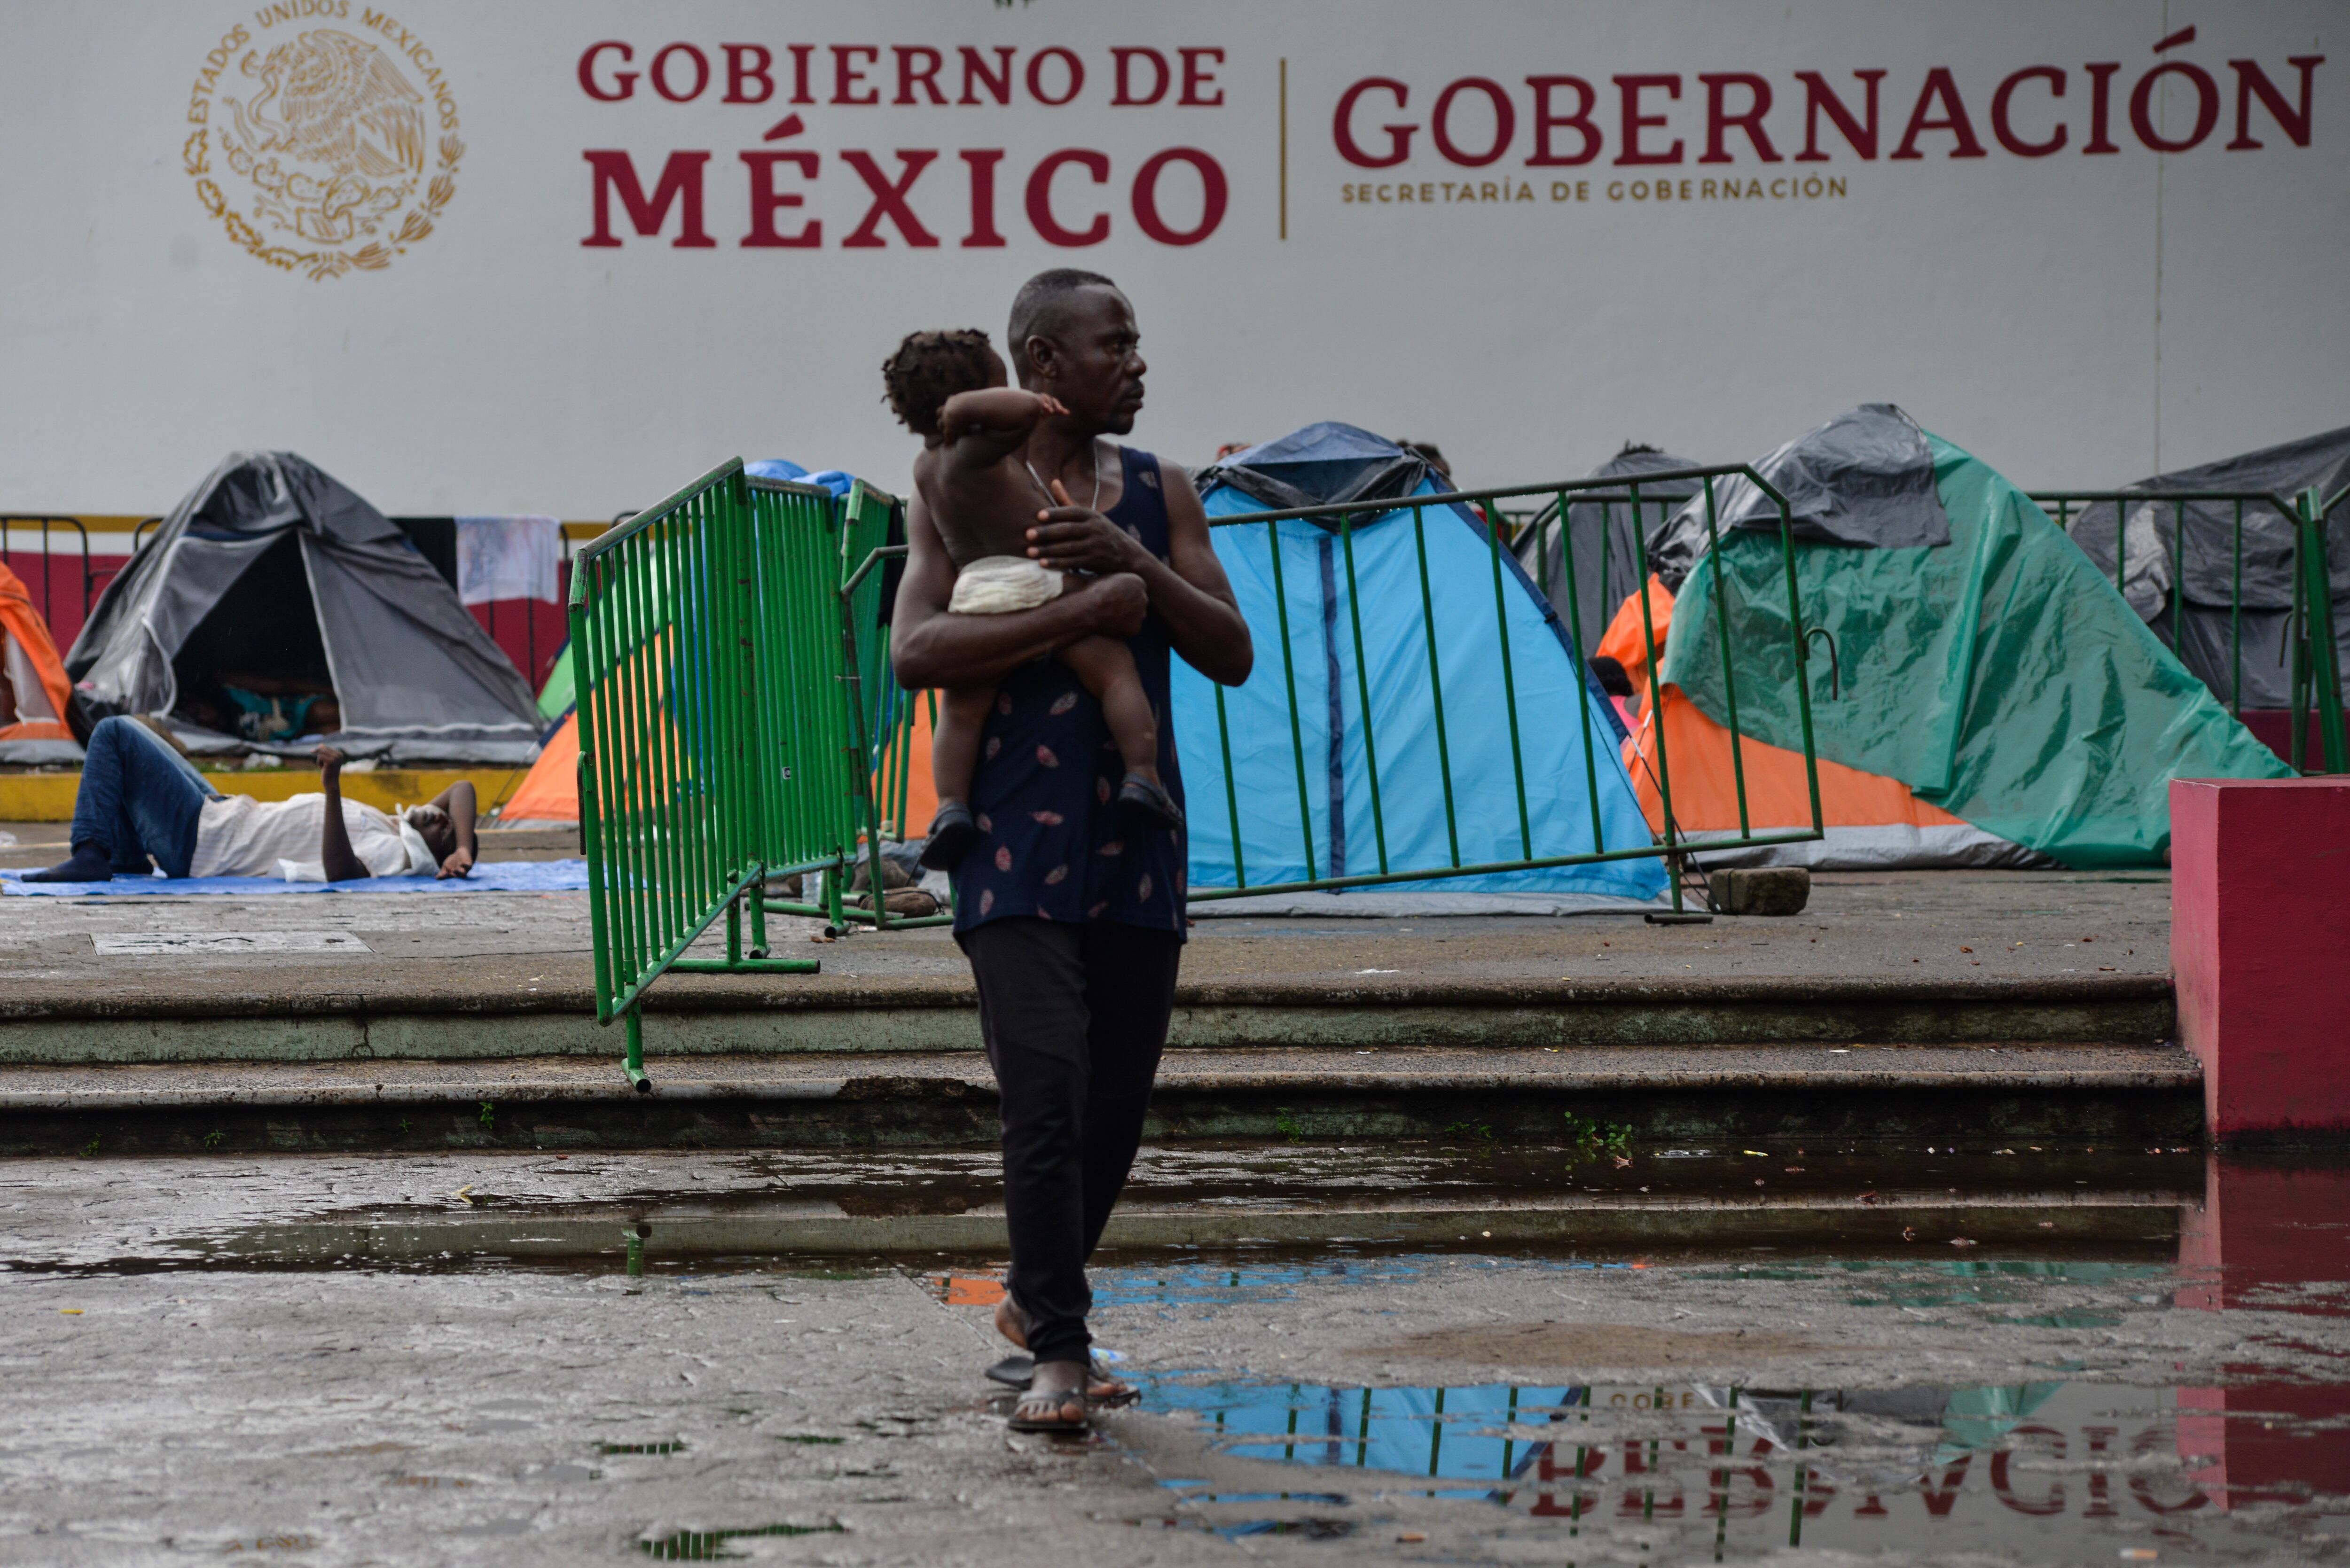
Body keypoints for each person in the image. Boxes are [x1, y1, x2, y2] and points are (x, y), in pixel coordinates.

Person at [889, 269, 1253, 1434]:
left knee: (1113, 1102)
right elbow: (919, 650)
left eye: (1139, 344)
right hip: (1004, 834)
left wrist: (1126, 562)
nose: (1138, 364)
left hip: (1136, 830)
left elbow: (1229, 649)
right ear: (1043, 364)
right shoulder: (959, 480)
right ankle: (1059, 1340)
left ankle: (1030, 1303)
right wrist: (1074, 613)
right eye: (1117, 345)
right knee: (1042, 1084)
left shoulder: (1163, 491)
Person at [877, 327, 1180, 874]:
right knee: (1113, 671)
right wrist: (1007, 403)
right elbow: (1018, 415)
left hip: (974, 588)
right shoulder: (975, 448)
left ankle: (949, 808)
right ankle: (1143, 775)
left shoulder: (925, 469)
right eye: (1001, 380)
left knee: (962, 709)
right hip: (1034, 578)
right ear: (968, 404)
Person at [20, 716, 474, 883]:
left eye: (444, 828)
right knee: (141, 728)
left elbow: (341, 872)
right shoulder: (399, 826)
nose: (441, 815)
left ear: (428, 850)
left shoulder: (393, 849)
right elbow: (463, 790)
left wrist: (332, 787)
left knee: (113, 733)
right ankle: (126, 857)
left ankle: (91, 852)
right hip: (221, 811)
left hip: (203, 842)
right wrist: (464, 847)